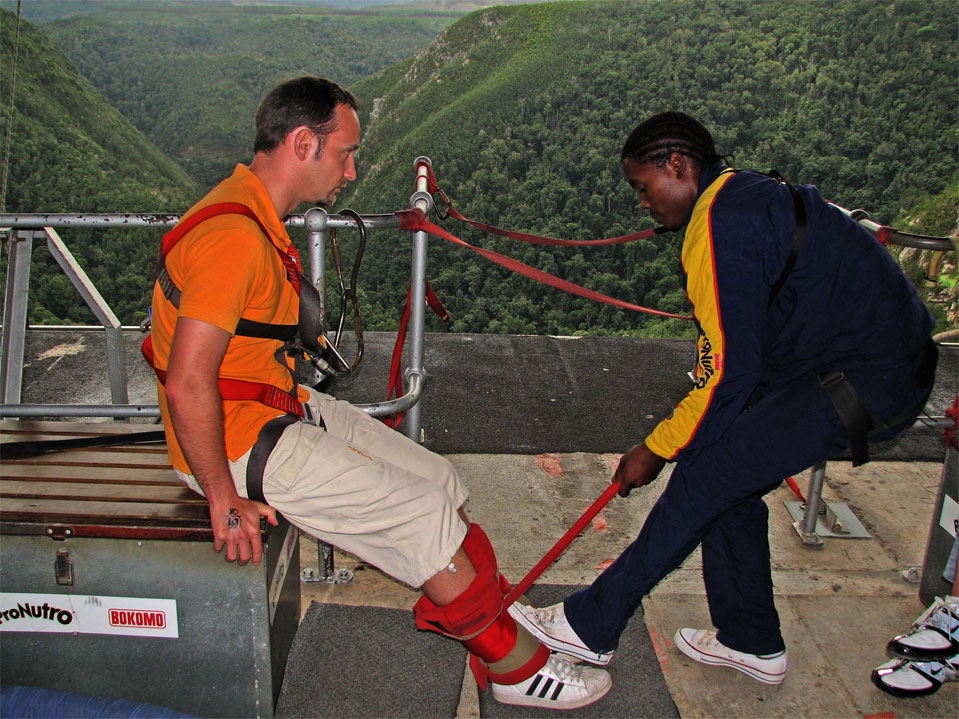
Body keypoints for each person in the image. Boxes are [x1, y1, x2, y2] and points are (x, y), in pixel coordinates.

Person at [146, 76, 610, 710]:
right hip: (230, 443)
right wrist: (224, 500)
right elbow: (187, 378)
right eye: (346, 153)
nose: (353, 171)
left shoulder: (252, 212)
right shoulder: (232, 239)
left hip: (269, 407)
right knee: (418, 519)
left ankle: (490, 612)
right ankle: (510, 665)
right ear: (304, 142)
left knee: (439, 481)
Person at [511, 111, 939, 686]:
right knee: (721, 471)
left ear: (679, 166)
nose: (643, 203)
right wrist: (691, 432)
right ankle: (751, 641)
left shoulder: (716, 226)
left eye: (644, 187)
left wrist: (656, 447)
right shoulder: (739, 191)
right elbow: (737, 345)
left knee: (706, 473)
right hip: (865, 357)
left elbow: (727, 371)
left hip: (866, 376)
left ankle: (590, 626)